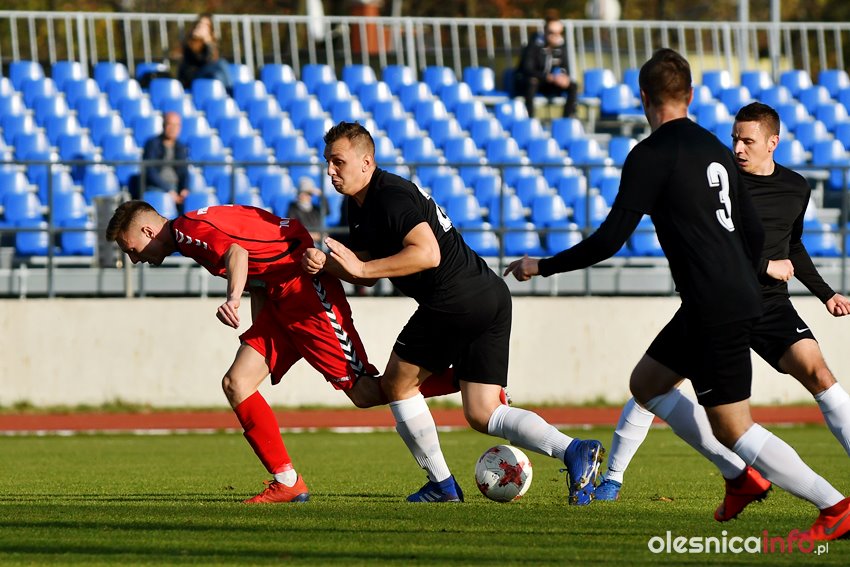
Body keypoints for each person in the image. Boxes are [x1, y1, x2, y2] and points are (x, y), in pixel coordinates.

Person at [504, 49, 850, 540]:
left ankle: (833, 505)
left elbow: (609, 240)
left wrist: (542, 265)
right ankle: (739, 479)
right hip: (720, 297)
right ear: (689, 95)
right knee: (646, 384)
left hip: (715, 304)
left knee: (734, 427)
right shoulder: (714, 148)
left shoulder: (650, 155)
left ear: (643, 96)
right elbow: (754, 232)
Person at [304, 121, 605, 505]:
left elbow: (426, 253)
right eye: (327, 162)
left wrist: (359, 268)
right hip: (488, 294)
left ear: (366, 162)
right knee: (483, 412)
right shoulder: (361, 203)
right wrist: (328, 263)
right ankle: (575, 450)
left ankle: (442, 486)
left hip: (453, 299)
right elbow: (368, 265)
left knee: (397, 385)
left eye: (338, 161)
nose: (330, 170)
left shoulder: (389, 196)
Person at [105, 201, 458, 504]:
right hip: (280, 298)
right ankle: (287, 481)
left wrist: (232, 299)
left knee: (365, 393)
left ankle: (464, 378)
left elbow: (237, 253)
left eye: (131, 248)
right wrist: (258, 323)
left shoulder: (187, 231)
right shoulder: (194, 225)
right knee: (237, 383)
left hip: (305, 294)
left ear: (148, 231)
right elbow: (258, 261)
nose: (134, 259)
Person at [593, 102, 850, 504]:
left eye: (748, 141)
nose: (738, 148)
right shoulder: (720, 179)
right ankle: (613, 479)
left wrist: (826, 293)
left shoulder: (796, 187)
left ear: (773, 143)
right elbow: (715, 242)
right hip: (718, 300)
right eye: (734, 139)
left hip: (770, 304)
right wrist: (763, 265)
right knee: (653, 386)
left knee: (818, 372)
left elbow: (793, 245)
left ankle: (816, 500)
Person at [514, 15, 578, 119]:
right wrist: (547, 77)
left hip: (551, 84)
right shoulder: (533, 45)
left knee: (572, 85)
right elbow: (527, 69)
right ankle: (529, 119)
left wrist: (563, 77)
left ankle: (567, 120)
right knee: (532, 82)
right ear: (545, 31)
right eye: (552, 32)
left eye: (559, 33)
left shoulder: (562, 47)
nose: (556, 36)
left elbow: (565, 67)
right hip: (534, 83)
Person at [140, 111, 190, 207]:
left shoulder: (181, 147)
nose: (173, 128)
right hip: (157, 187)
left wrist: (185, 189)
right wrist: (168, 190)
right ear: (163, 125)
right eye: (170, 124)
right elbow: (150, 172)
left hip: (176, 188)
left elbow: (184, 171)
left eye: (176, 125)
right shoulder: (152, 144)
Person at [177, 13, 232, 91]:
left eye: (205, 25)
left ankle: (226, 94)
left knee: (218, 74)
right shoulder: (189, 43)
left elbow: (214, 61)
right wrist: (207, 43)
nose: (201, 27)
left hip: (208, 74)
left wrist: (208, 43)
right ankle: (230, 92)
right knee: (221, 64)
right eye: (200, 24)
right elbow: (202, 62)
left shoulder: (210, 43)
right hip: (192, 76)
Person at [287, 177, 324, 244]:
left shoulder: (315, 209)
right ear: (299, 194)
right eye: (305, 193)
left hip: (319, 241)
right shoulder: (293, 208)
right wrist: (312, 235)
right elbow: (293, 229)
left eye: (310, 194)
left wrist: (322, 196)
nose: (308, 197)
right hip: (303, 241)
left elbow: (326, 211)